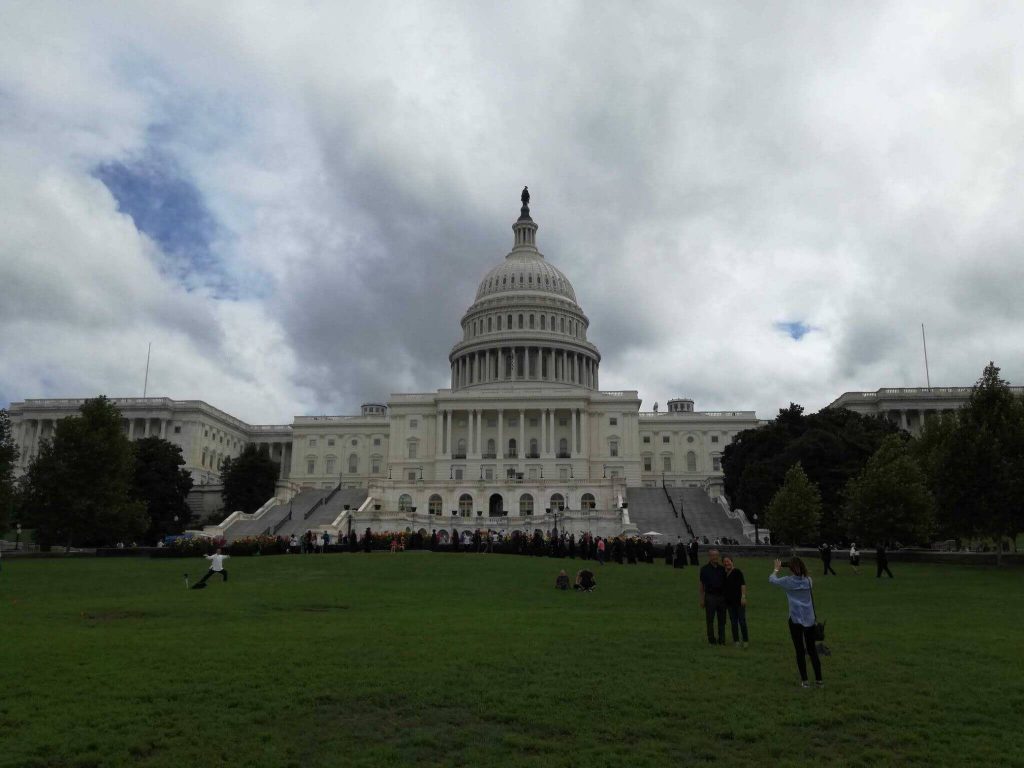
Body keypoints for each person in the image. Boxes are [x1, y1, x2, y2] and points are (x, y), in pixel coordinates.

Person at [769, 557, 822, 688]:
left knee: (799, 650)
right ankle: (819, 680)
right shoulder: (808, 581)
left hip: (795, 618)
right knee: (812, 650)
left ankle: (805, 681)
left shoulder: (787, 581)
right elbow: (803, 575)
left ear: (791, 568)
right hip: (809, 619)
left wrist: (776, 569)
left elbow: (772, 580)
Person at [698, 549, 727, 645]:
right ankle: (711, 640)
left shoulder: (722, 569)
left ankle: (722, 640)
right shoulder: (704, 569)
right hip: (710, 596)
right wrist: (702, 599)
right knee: (710, 619)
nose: (715, 557)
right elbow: (702, 585)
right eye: (713, 555)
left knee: (722, 620)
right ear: (709, 557)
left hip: (721, 597)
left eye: (717, 555)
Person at [723, 556, 749, 647]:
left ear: (732, 561)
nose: (727, 563)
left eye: (728, 561)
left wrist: (743, 596)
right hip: (729, 602)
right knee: (733, 622)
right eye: (725, 562)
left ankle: (745, 640)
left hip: (739, 601)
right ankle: (736, 641)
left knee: (742, 621)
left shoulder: (737, 572)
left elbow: (743, 584)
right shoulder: (724, 574)